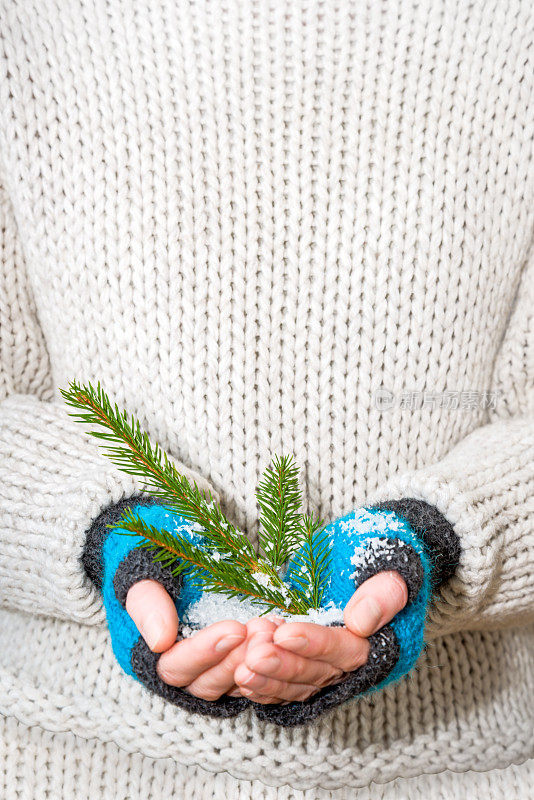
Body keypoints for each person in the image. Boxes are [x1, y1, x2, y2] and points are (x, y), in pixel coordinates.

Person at [0, 0, 532, 797]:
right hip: (56, 761)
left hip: (471, 764)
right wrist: (100, 534)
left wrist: (436, 542)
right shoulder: (26, 29)